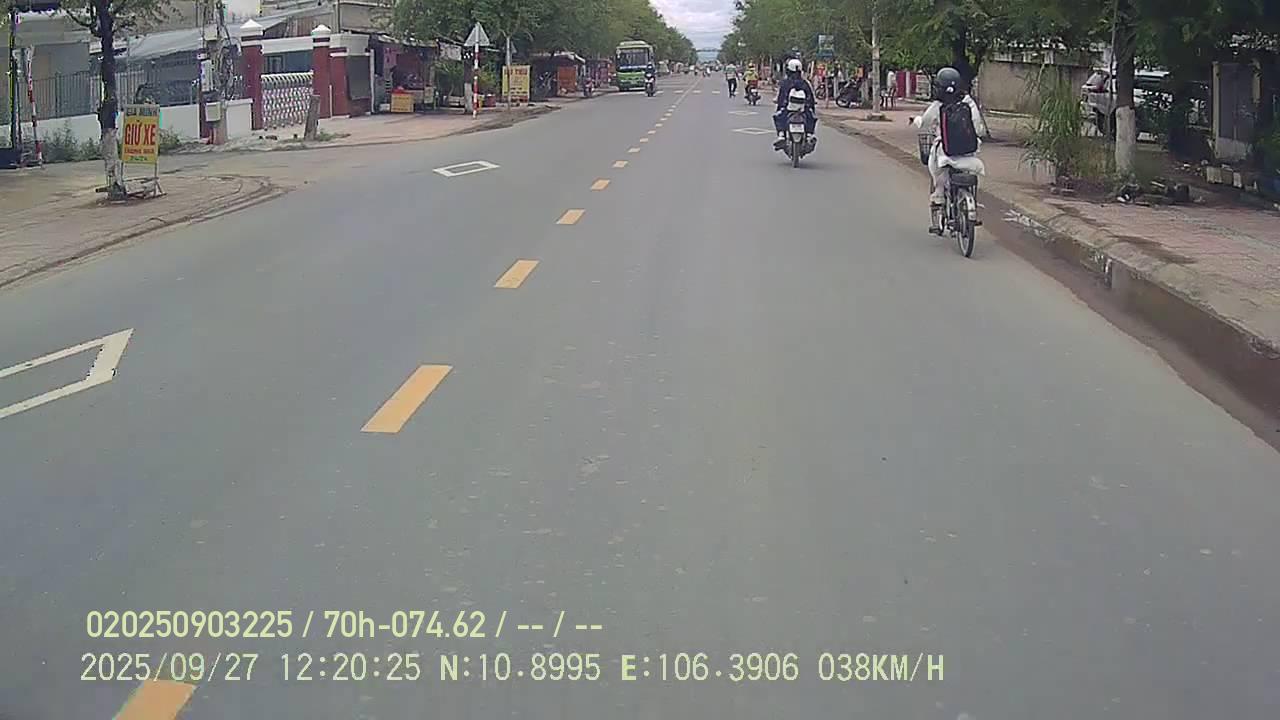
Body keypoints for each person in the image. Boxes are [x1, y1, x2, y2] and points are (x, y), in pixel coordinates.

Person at [910, 67, 987, 233]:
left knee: (936, 167)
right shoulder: (968, 102)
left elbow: (925, 122)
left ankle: (938, 197)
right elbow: (979, 129)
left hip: (945, 152)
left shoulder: (938, 105)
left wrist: (916, 120)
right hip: (968, 153)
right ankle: (971, 204)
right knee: (971, 173)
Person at [773, 57, 817, 150]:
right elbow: (811, 97)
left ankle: (781, 135)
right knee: (811, 117)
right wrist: (811, 106)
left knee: (778, 116)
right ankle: (809, 135)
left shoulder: (785, 83)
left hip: (788, 109)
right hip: (803, 110)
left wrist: (780, 105)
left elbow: (780, 98)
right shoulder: (805, 83)